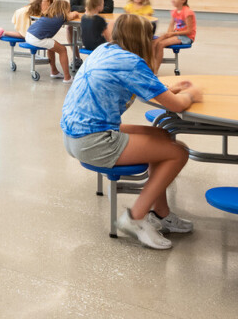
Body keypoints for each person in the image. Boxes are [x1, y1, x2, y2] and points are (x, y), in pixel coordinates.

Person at [60, 13, 199, 250]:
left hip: (75, 134)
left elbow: (149, 84)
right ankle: (135, 218)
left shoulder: (105, 50)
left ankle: (161, 214)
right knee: (178, 152)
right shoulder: (131, 62)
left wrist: (168, 89)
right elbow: (176, 105)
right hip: (93, 140)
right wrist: (192, 94)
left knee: (162, 136)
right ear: (143, 39)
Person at [25, 0, 72, 81]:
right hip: (37, 38)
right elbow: (73, 15)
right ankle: (67, 77)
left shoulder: (49, 14)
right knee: (62, 50)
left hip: (29, 35)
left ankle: (54, 72)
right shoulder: (61, 16)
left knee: (52, 46)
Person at [151, 0, 195, 73]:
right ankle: (151, 66)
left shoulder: (188, 12)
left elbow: (189, 31)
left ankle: (155, 71)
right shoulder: (174, 11)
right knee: (153, 43)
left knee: (161, 44)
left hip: (186, 37)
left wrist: (171, 34)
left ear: (183, 0)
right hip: (177, 34)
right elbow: (171, 25)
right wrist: (168, 34)